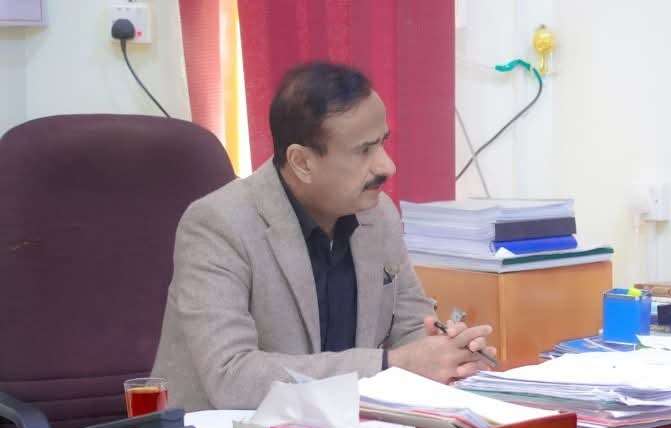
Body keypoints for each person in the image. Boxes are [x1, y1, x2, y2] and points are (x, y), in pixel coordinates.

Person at [152, 62, 492, 410]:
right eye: (364, 151)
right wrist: (391, 365)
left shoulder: (378, 215)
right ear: (302, 162)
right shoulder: (219, 224)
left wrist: (449, 354)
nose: (387, 166)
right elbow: (232, 376)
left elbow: (410, 328)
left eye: (383, 143)